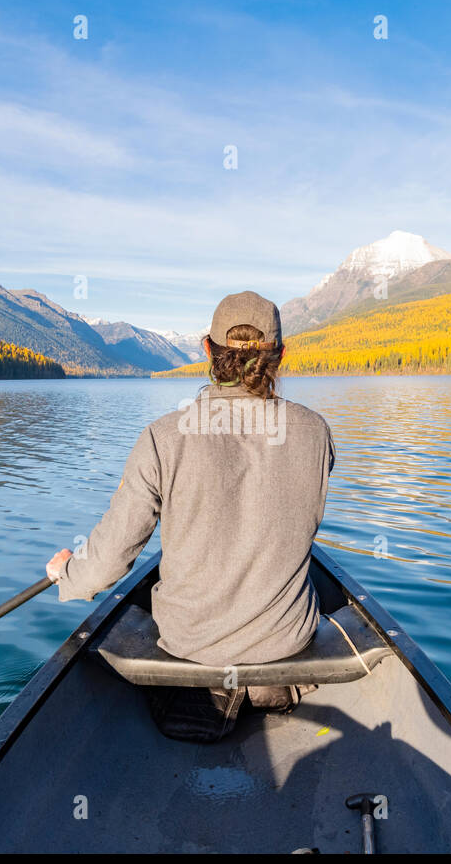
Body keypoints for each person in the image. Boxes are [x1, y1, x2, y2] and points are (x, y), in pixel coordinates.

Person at [44, 291, 335, 739]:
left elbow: (108, 561)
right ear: (280, 355)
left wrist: (69, 573)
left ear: (207, 351)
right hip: (286, 648)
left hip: (191, 650)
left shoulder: (163, 438)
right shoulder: (316, 433)